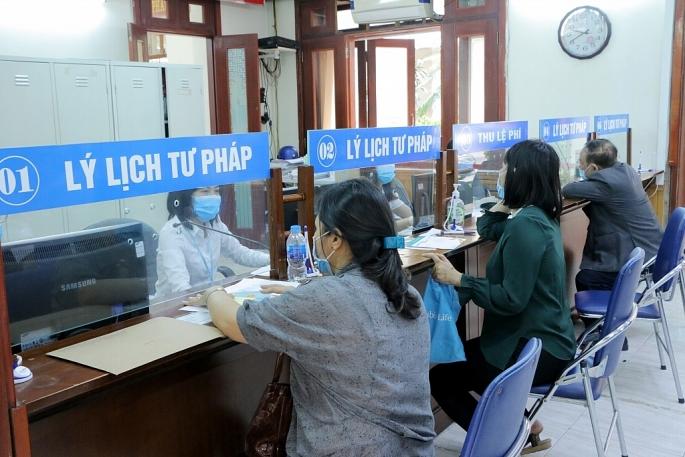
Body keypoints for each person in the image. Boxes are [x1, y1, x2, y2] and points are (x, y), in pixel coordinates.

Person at [197, 178, 435, 456]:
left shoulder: (327, 299)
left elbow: (233, 322)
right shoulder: (404, 293)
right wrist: (306, 294)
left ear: (335, 239)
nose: (316, 238)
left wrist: (212, 292)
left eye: (319, 230)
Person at [426, 140, 576, 455]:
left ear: (519, 173)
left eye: (506, 167)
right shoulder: (535, 216)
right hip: (543, 338)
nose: (501, 173)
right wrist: (503, 204)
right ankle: (524, 425)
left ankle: (502, 441)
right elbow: (487, 227)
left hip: (536, 347)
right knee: (462, 364)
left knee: (442, 379)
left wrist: (458, 278)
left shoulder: (526, 226)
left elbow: (511, 299)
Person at [563, 139, 662, 293]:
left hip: (640, 257)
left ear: (594, 167)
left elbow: (568, 190)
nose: (580, 167)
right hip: (652, 250)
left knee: (585, 278)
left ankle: (609, 308)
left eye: (581, 163)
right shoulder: (626, 170)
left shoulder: (607, 183)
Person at [154, 186, 269, 298]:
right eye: (205, 191)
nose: (213, 196)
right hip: (175, 305)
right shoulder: (171, 233)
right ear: (185, 197)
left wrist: (271, 260)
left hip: (208, 297)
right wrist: (211, 301)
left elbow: (239, 253)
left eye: (216, 190)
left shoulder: (215, 223)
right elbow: (181, 288)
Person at [373, 164, 415, 232]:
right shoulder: (370, 193)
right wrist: (409, 221)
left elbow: (410, 214)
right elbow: (382, 227)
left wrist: (411, 220)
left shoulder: (390, 189)